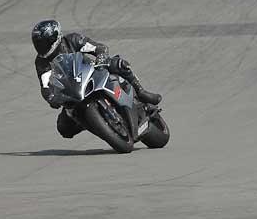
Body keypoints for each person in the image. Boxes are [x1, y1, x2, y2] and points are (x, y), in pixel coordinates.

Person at [31, 19, 162, 139]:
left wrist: (101, 57)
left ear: (56, 37)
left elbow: (98, 47)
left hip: (92, 71)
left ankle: (141, 92)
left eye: (44, 42)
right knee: (64, 129)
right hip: (71, 92)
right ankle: (89, 122)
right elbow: (45, 85)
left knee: (120, 64)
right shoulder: (41, 62)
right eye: (38, 43)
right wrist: (51, 98)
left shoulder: (72, 40)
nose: (42, 46)